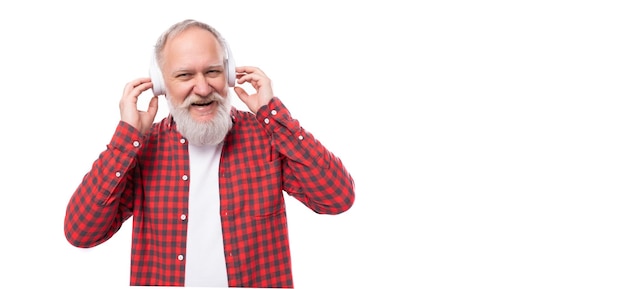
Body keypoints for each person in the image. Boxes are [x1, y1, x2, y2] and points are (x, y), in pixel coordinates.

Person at [64, 19, 355, 288]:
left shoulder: (268, 136)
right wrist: (127, 139)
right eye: (184, 75)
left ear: (228, 74)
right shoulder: (142, 149)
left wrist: (274, 117)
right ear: (162, 84)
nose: (202, 88)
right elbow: (81, 232)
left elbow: (337, 198)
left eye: (213, 71)